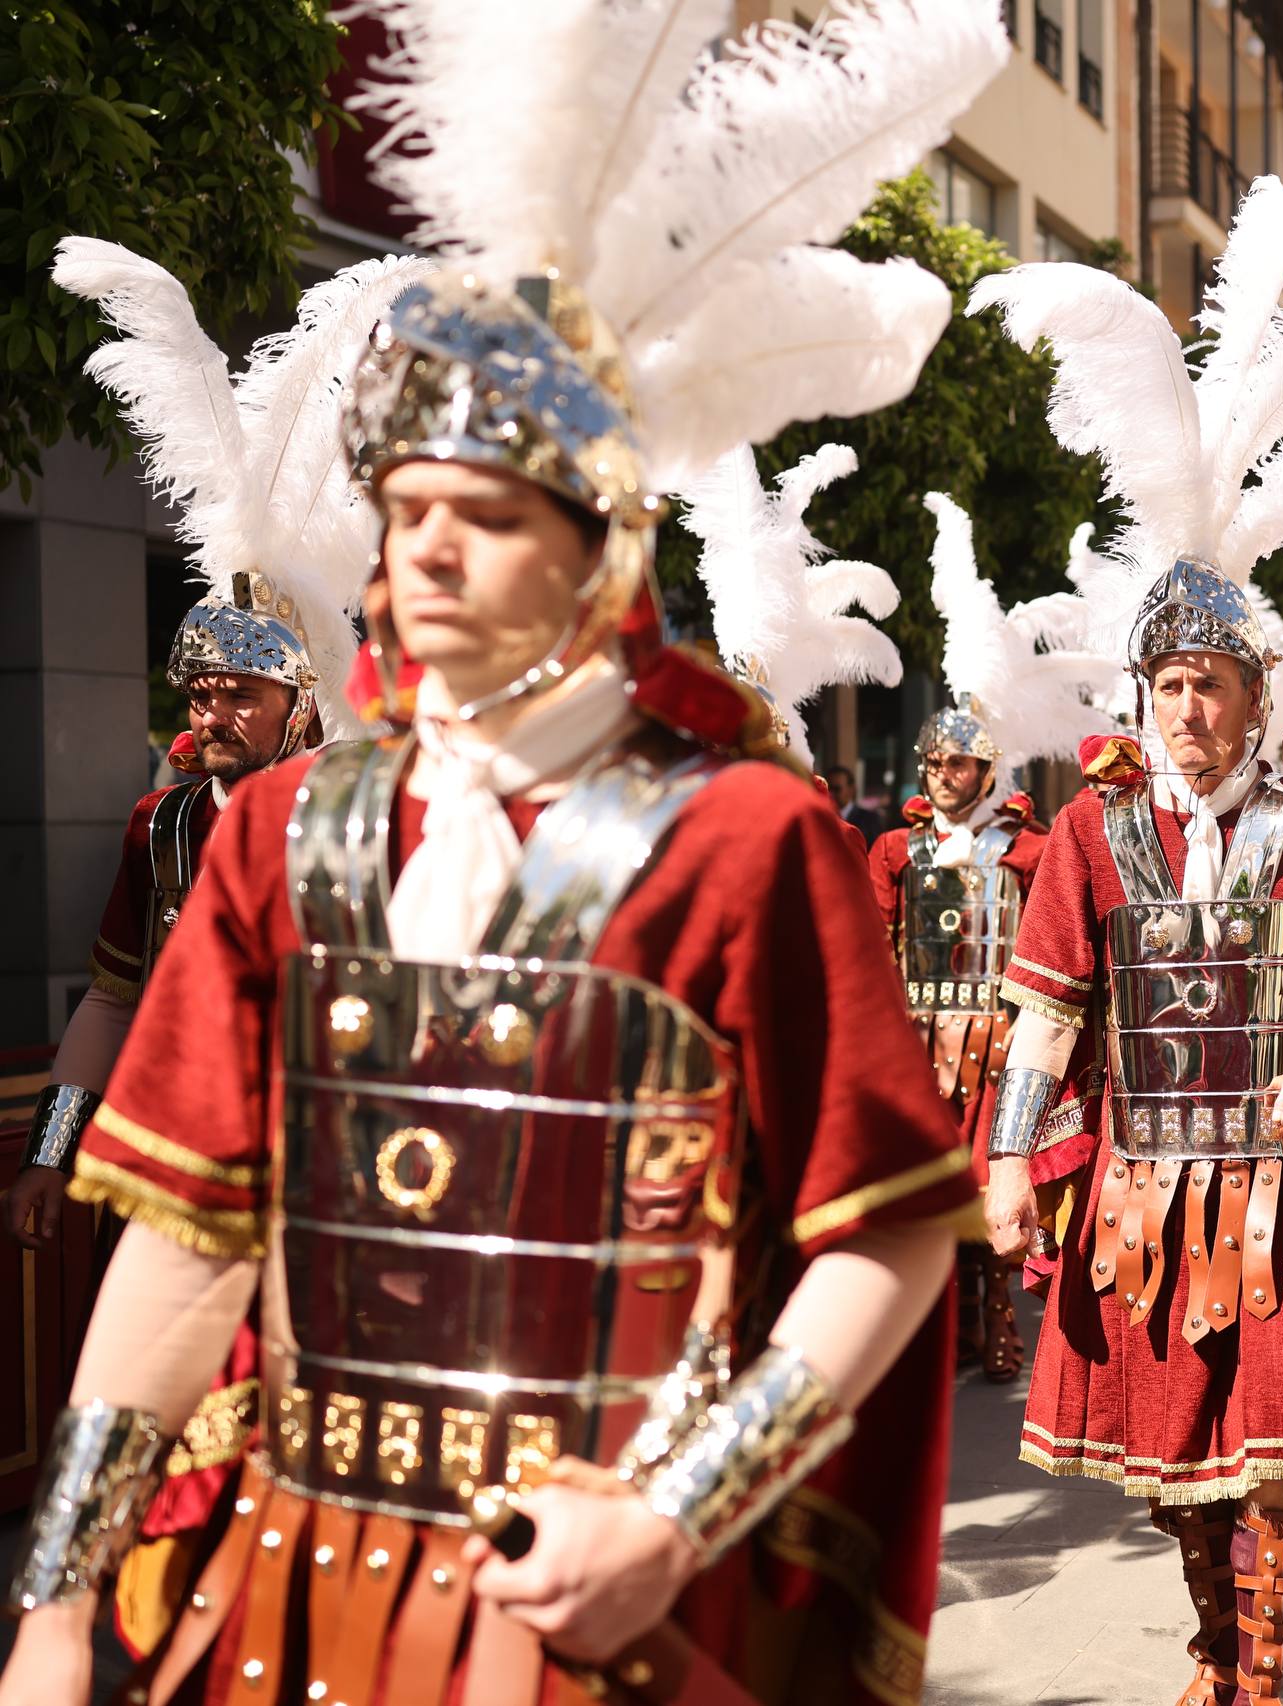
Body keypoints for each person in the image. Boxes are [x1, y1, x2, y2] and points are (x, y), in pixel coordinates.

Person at [0, 5, 1011, 1703]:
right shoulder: (273, 835)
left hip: (610, 1594)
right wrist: (51, 1598)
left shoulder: (749, 837)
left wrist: (682, 1519)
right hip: (295, 1578)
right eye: (404, 511)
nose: (429, 552)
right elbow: (187, 1239)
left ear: (601, 550)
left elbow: (890, 1235)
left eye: (486, 512)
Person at [975, 177, 1283, 1704]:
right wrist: (1002, 1165)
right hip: (1139, 1186)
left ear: (1256, 691)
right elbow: (1043, 1014)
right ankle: (1214, 1635)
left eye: (1210, 680)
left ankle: (1264, 1660)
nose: (1184, 705)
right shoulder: (1085, 835)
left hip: (1277, 1180)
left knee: (1270, 1454)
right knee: (1171, 1455)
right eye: (1163, 683)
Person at [11, 239, 422, 1670]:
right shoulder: (164, 822)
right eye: (195, 683)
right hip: (185, 1184)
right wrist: (55, 1147)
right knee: (170, 1507)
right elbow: (113, 997)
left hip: (356, 1203)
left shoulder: (384, 813)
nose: (208, 703)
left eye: (235, 683)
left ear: (298, 690)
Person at [862, 493, 1113, 1382]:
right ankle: (940, 1327)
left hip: (1002, 1037)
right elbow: (876, 940)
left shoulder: (1033, 846)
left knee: (990, 1185)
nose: (945, 774)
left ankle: (999, 1322)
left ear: (987, 769)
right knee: (926, 1191)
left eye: (959, 763)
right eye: (934, 763)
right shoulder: (897, 848)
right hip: (923, 1037)